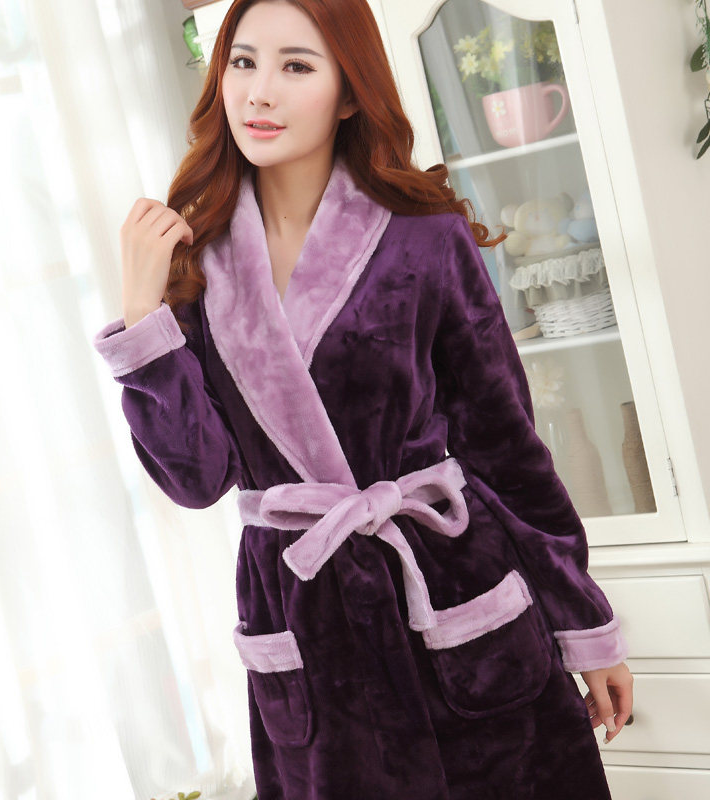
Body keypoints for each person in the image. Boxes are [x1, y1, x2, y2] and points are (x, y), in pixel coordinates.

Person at [93, 0, 634, 797]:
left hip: (449, 598)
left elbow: (507, 450)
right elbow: (196, 478)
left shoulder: (424, 236)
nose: (259, 91)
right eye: (243, 62)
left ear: (349, 92)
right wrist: (143, 318)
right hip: (307, 628)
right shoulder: (198, 260)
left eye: (296, 66)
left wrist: (584, 622)